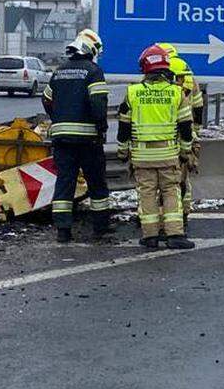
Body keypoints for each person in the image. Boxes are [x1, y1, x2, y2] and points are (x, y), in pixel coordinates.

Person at [117, 44, 195, 249]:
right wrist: (186, 151)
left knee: (147, 193)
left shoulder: (132, 93)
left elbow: (124, 126)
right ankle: (175, 235)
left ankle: (150, 236)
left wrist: (122, 151)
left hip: (142, 156)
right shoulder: (177, 93)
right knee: (171, 191)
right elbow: (186, 127)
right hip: (169, 155)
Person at [42, 29, 111, 243]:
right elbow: (98, 103)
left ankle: (63, 230)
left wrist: (59, 118)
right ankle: (100, 227)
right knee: (96, 182)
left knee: (64, 182)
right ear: (90, 48)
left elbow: (46, 99)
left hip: (61, 138)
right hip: (88, 138)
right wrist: (101, 127)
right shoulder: (93, 71)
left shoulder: (59, 71)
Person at [169, 56, 200, 222]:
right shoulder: (176, 95)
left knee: (177, 185)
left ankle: (179, 215)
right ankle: (176, 220)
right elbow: (187, 123)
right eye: (180, 77)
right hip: (170, 150)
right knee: (173, 187)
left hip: (166, 150)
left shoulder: (180, 92)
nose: (183, 80)